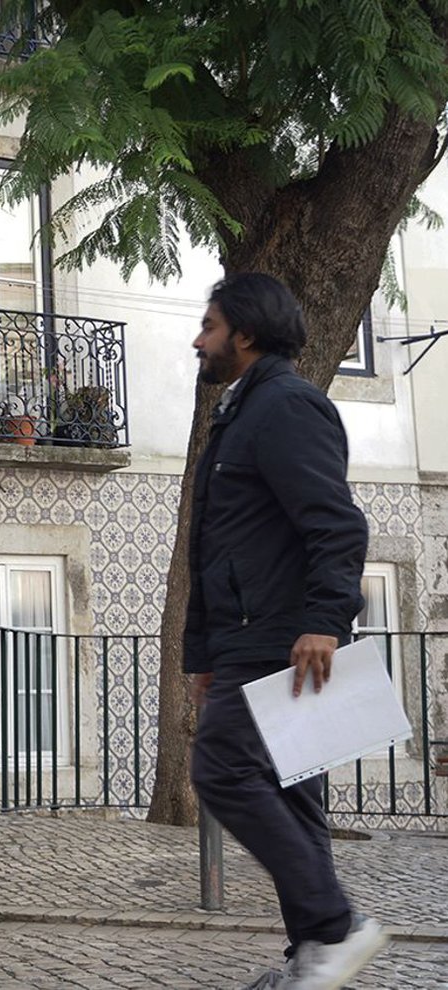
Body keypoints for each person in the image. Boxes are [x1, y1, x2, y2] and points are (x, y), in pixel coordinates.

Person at [183, 273, 388, 990]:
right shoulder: (243, 413)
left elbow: (337, 526)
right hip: (249, 636)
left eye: (208, 326)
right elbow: (215, 541)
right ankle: (315, 954)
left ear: (244, 333)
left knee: (221, 769)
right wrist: (206, 655)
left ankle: (335, 927)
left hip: (281, 636)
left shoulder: (287, 407)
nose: (198, 340)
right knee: (294, 791)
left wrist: (325, 624)